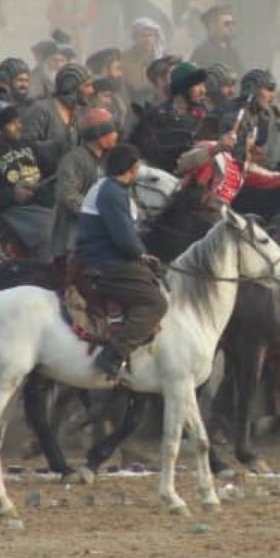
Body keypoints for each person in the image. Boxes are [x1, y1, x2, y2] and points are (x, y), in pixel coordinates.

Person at [73, 143, 168, 381]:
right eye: (138, 165)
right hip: (105, 262)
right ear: (132, 168)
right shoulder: (112, 193)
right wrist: (141, 254)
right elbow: (124, 238)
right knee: (156, 303)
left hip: (107, 257)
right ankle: (114, 354)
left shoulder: (111, 188)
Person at [0, 101, 52, 254]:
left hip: (42, 202)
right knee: (49, 232)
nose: (20, 127)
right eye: (12, 124)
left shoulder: (27, 145)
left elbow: (50, 169)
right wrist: (12, 194)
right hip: (14, 211)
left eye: (19, 121)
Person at [49, 107, 119, 262]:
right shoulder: (74, 160)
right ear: (99, 135)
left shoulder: (108, 160)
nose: (116, 135)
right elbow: (67, 196)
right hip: (73, 241)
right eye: (111, 131)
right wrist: (100, 212)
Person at [139, 60, 209, 172]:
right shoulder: (157, 116)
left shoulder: (204, 114)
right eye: (197, 85)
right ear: (183, 88)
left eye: (203, 85)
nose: (203, 90)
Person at [23, 63, 92, 170]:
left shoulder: (78, 114)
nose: (91, 90)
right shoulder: (41, 110)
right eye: (87, 86)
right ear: (72, 86)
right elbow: (25, 149)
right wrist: (57, 146)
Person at [119, 19, 165, 106]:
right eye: (144, 36)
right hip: (131, 100)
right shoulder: (124, 57)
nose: (148, 40)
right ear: (135, 37)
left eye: (151, 35)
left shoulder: (162, 57)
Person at [192, 3, 243, 74]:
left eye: (233, 23)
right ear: (212, 26)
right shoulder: (201, 53)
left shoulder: (234, 53)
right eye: (226, 24)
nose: (231, 28)